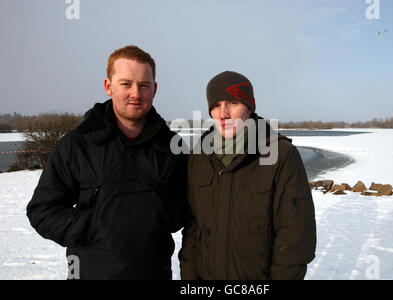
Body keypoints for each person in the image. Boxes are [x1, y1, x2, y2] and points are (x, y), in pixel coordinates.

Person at [26, 45, 188, 280]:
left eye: (144, 85)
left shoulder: (173, 147)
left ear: (154, 89)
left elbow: (188, 204)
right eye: (126, 84)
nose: (136, 93)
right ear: (108, 86)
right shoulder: (77, 144)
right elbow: (41, 210)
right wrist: (94, 224)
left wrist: (157, 217)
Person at [179, 71, 316, 280]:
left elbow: (295, 240)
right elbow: (192, 230)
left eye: (232, 103)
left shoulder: (280, 154)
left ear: (249, 107)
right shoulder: (199, 156)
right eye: (216, 105)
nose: (223, 113)